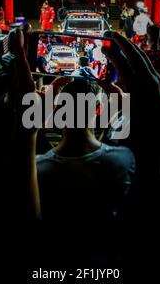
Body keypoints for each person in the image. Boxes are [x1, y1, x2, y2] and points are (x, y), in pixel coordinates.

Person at [37, 80, 135, 221]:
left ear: (58, 110)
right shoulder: (124, 159)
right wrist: (118, 105)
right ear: (98, 110)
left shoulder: (38, 167)